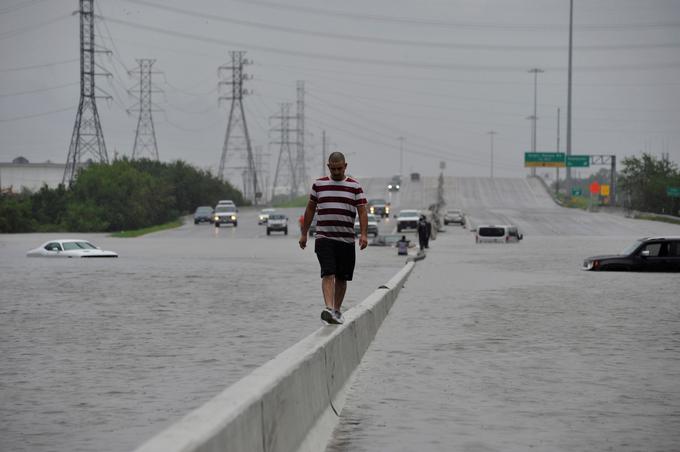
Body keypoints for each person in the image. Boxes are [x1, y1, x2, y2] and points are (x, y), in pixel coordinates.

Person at [299, 152, 368, 325]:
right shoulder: (319, 185)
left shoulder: (355, 187)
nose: (337, 171)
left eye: (340, 168)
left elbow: (362, 211)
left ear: (345, 166)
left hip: (346, 239)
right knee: (328, 272)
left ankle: (336, 310)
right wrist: (304, 233)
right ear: (328, 166)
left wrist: (364, 235)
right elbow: (310, 209)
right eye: (333, 168)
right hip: (324, 237)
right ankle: (329, 308)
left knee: (342, 278)